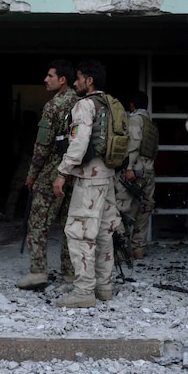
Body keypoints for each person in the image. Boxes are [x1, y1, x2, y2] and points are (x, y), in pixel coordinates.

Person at [52, 59, 121, 307]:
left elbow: (79, 142)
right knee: (104, 232)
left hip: (89, 179)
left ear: (88, 81)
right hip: (108, 176)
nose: (75, 82)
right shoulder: (113, 104)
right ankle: (104, 287)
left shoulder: (85, 105)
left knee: (80, 234)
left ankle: (83, 293)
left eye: (79, 78)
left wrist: (63, 172)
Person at [16, 60, 78, 290]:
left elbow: (42, 145)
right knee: (68, 224)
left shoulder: (54, 106)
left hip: (52, 170)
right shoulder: (80, 103)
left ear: (62, 80)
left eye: (50, 75)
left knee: (38, 223)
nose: (46, 79)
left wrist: (32, 174)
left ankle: (38, 271)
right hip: (74, 172)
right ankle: (70, 275)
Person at [113, 90, 159, 259]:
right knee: (144, 209)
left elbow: (133, 144)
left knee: (123, 208)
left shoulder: (135, 120)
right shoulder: (151, 123)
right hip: (149, 171)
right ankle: (138, 248)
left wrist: (129, 167)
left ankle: (122, 249)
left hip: (136, 169)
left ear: (132, 104)